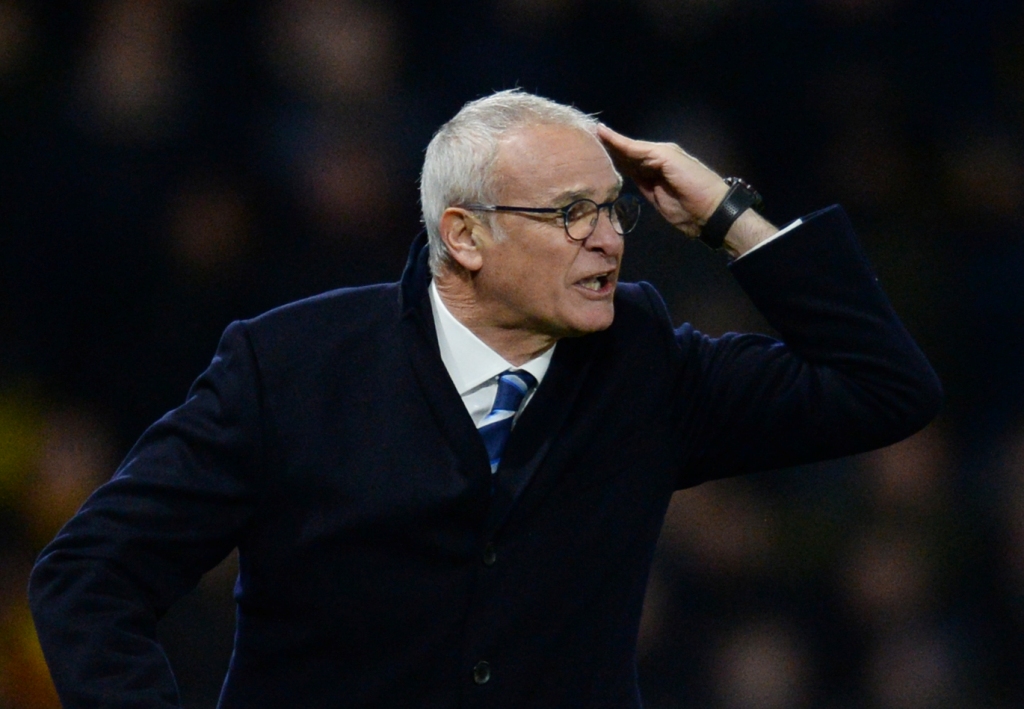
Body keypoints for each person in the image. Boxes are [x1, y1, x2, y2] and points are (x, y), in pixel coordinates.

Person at [29, 90, 942, 708]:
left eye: (613, 210)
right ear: (463, 235)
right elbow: (89, 576)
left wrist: (727, 214)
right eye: (568, 213)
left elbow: (883, 388)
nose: (608, 242)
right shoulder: (291, 365)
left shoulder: (646, 362)